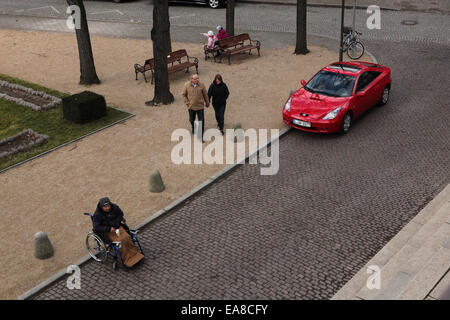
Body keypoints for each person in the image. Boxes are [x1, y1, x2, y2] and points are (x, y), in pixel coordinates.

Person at [93, 197, 144, 268]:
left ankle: (135, 254)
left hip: (117, 227)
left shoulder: (115, 207)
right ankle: (127, 259)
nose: (107, 208)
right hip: (107, 232)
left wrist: (116, 223)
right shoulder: (97, 214)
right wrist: (109, 228)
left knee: (127, 237)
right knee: (120, 242)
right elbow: (96, 227)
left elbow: (120, 214)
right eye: (105, 207)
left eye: (108, 206)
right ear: (101, 207)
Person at [181, 74, 210, 141]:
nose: (197, 80)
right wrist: (187, 103)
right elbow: (183, 94)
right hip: (191, 107)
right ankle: (194, 128)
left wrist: (207, 103)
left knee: (201, 121)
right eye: (195, 79)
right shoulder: (186, 85)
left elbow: (205, 94)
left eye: (198, 78)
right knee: (191, 120)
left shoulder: (202, 85)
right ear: (191, 79)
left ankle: (200, 136)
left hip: (200, 107)